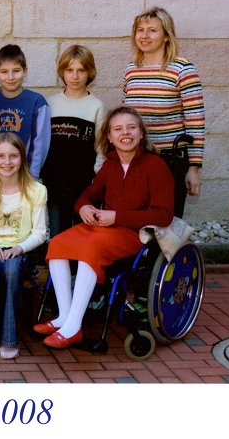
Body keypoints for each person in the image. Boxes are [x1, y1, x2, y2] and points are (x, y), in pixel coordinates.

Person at [34, 106, 174, 349]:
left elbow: (163, 215)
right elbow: (86, 196)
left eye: (131, 127)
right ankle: (64, 317)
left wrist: (117, 217)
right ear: (109, 136)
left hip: (133, 234)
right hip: (103, 230)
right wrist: (84, 208)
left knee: (90, 249)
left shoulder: (155, 166)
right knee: (57, 244)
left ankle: (73, 327)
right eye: (118, 129)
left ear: (141, 133)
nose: (125, 133)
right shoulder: (110, 165)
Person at [0, 133, 47, 360]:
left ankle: (9, 339)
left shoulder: (36, 190)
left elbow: (40, 232)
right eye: (1, 156)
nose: (7, 162)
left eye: (13, 156)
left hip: (21, 251)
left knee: (12, 268)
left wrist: (20, 248)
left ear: (22, 158)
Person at [123, 7, 205, 218]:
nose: (144, 35)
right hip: (137, 158)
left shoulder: (183, 69)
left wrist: (194, 168)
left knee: (167, 223)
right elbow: (125, 117)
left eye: (152, 30)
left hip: (170, 160)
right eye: (140, 30)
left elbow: (195, 121)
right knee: (137, 221)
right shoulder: (131, 70)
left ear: (167, 36)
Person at [40, 45, 106, 236]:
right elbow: (42, 144)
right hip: (54, 183)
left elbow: (101, 149)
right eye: (69, 70)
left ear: (90, 72)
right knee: (58, 235)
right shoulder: (50, 103)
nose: (75, 76)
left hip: (83, 185)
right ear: (62, 71)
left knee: (83, 235)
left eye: (81, 70)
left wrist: (96, 181)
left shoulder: (97, 106)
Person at [0, 44, 50, 180]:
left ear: (25, 71)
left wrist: (32, 178)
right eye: (4, 71)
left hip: (25, 177)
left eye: (16, 71)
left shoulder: (37, 102)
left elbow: (40, 145)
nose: (11, 77)